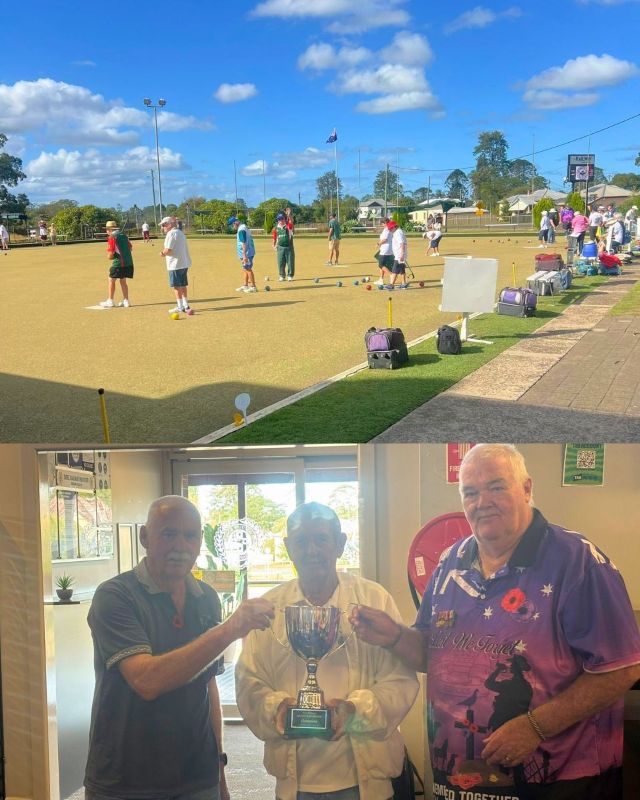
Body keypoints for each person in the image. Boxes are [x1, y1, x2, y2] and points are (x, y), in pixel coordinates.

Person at [350, 444, 640, 800]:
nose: (482, 501)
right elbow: (431, 655)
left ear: (528, 489)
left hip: (559, 784)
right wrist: (394, 637)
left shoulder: (578, 562)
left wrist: (535, 727)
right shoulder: (449, 564)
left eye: (497, 487)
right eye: (470, 492)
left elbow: (622, 669)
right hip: (458, 781)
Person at [84, 495, 275, 800]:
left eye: (190, 535)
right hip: (124, 782)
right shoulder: (115, 597)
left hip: (197, 779)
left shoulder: (206, 598)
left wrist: (218, 769)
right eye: (168, 534)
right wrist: (228, 630)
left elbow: (207, 685)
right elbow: (146, 681)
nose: (180, 546)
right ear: (145, 537)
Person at [235, 501, 419, 800]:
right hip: (295, 783)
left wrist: (353, 711)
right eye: (300, 541)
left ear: (340, 544)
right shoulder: (270, 608)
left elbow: (400, 681)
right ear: (287, 547)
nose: (312, 551)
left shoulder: (373, 599)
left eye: (321, 538)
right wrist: (278, 709)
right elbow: (248, 682)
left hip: (366, 782)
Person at [160, 215, 192, 313]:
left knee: (176, 286)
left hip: (174, 264)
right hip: (184, 263)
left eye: (163, 225)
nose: (162, 227)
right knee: (183, 285)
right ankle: (186, 305)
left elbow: (168, 249)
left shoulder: (171, 234)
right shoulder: (180, 233)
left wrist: (162, 253)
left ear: (169, 224)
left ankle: (180, 306)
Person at [99, 220, 134, 308]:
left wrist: (110, 256)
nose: (106, 231)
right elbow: (130, 248)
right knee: (123, 281)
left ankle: (110, 300)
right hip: (128, 263)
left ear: (110, 229)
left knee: (111, 280)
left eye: (107, 229)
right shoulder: (124, 236)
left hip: (118, 263)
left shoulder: (112, 237)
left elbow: (111, 254)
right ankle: (126, 301)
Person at [229, 215, 257, 293]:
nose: (232, 227)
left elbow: (244, 243)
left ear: (235, 223)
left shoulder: (241, 230)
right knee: (245, 269)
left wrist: (244, 255)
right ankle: (245, 285)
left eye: (232, 225)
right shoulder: (243, 227)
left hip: (247, 253)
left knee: (248, 269)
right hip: (245, 253)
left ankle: (253, 287)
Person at [386, 219, 409, 289]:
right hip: (400, 254)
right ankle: (404, 283)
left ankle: (391, 284)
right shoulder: (398, 232)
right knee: (402, 269)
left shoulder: (397, 233)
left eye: (390, 229)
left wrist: (401, 254)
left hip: (399, 254)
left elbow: (402, 243)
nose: (389, 230)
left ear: (394, 227)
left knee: (394, 269)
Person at [272, 212, 294, 281]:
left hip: (289, 247)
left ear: (285, 219)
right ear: (277, 220)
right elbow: (274, 238)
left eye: (282, 219)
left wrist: (289, 215)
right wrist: (273, 245)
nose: (281, 220)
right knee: (280, 262)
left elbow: (291, 222)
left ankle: (290, 275)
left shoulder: (288, 226)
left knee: (290, 262)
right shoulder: (276, 228)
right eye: (279, 219)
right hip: (280, 247)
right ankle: (282, 276)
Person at [374, 218, 394, 286]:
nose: (381, 225)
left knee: (381, 265)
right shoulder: (390, 229)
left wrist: (378, 244)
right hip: (388, 249)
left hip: (385, 249)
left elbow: (384, 239)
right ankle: (381, 279)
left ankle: (391, 275)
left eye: (382, 224)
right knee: (382, 264)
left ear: (384, 223)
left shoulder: (387, 230)